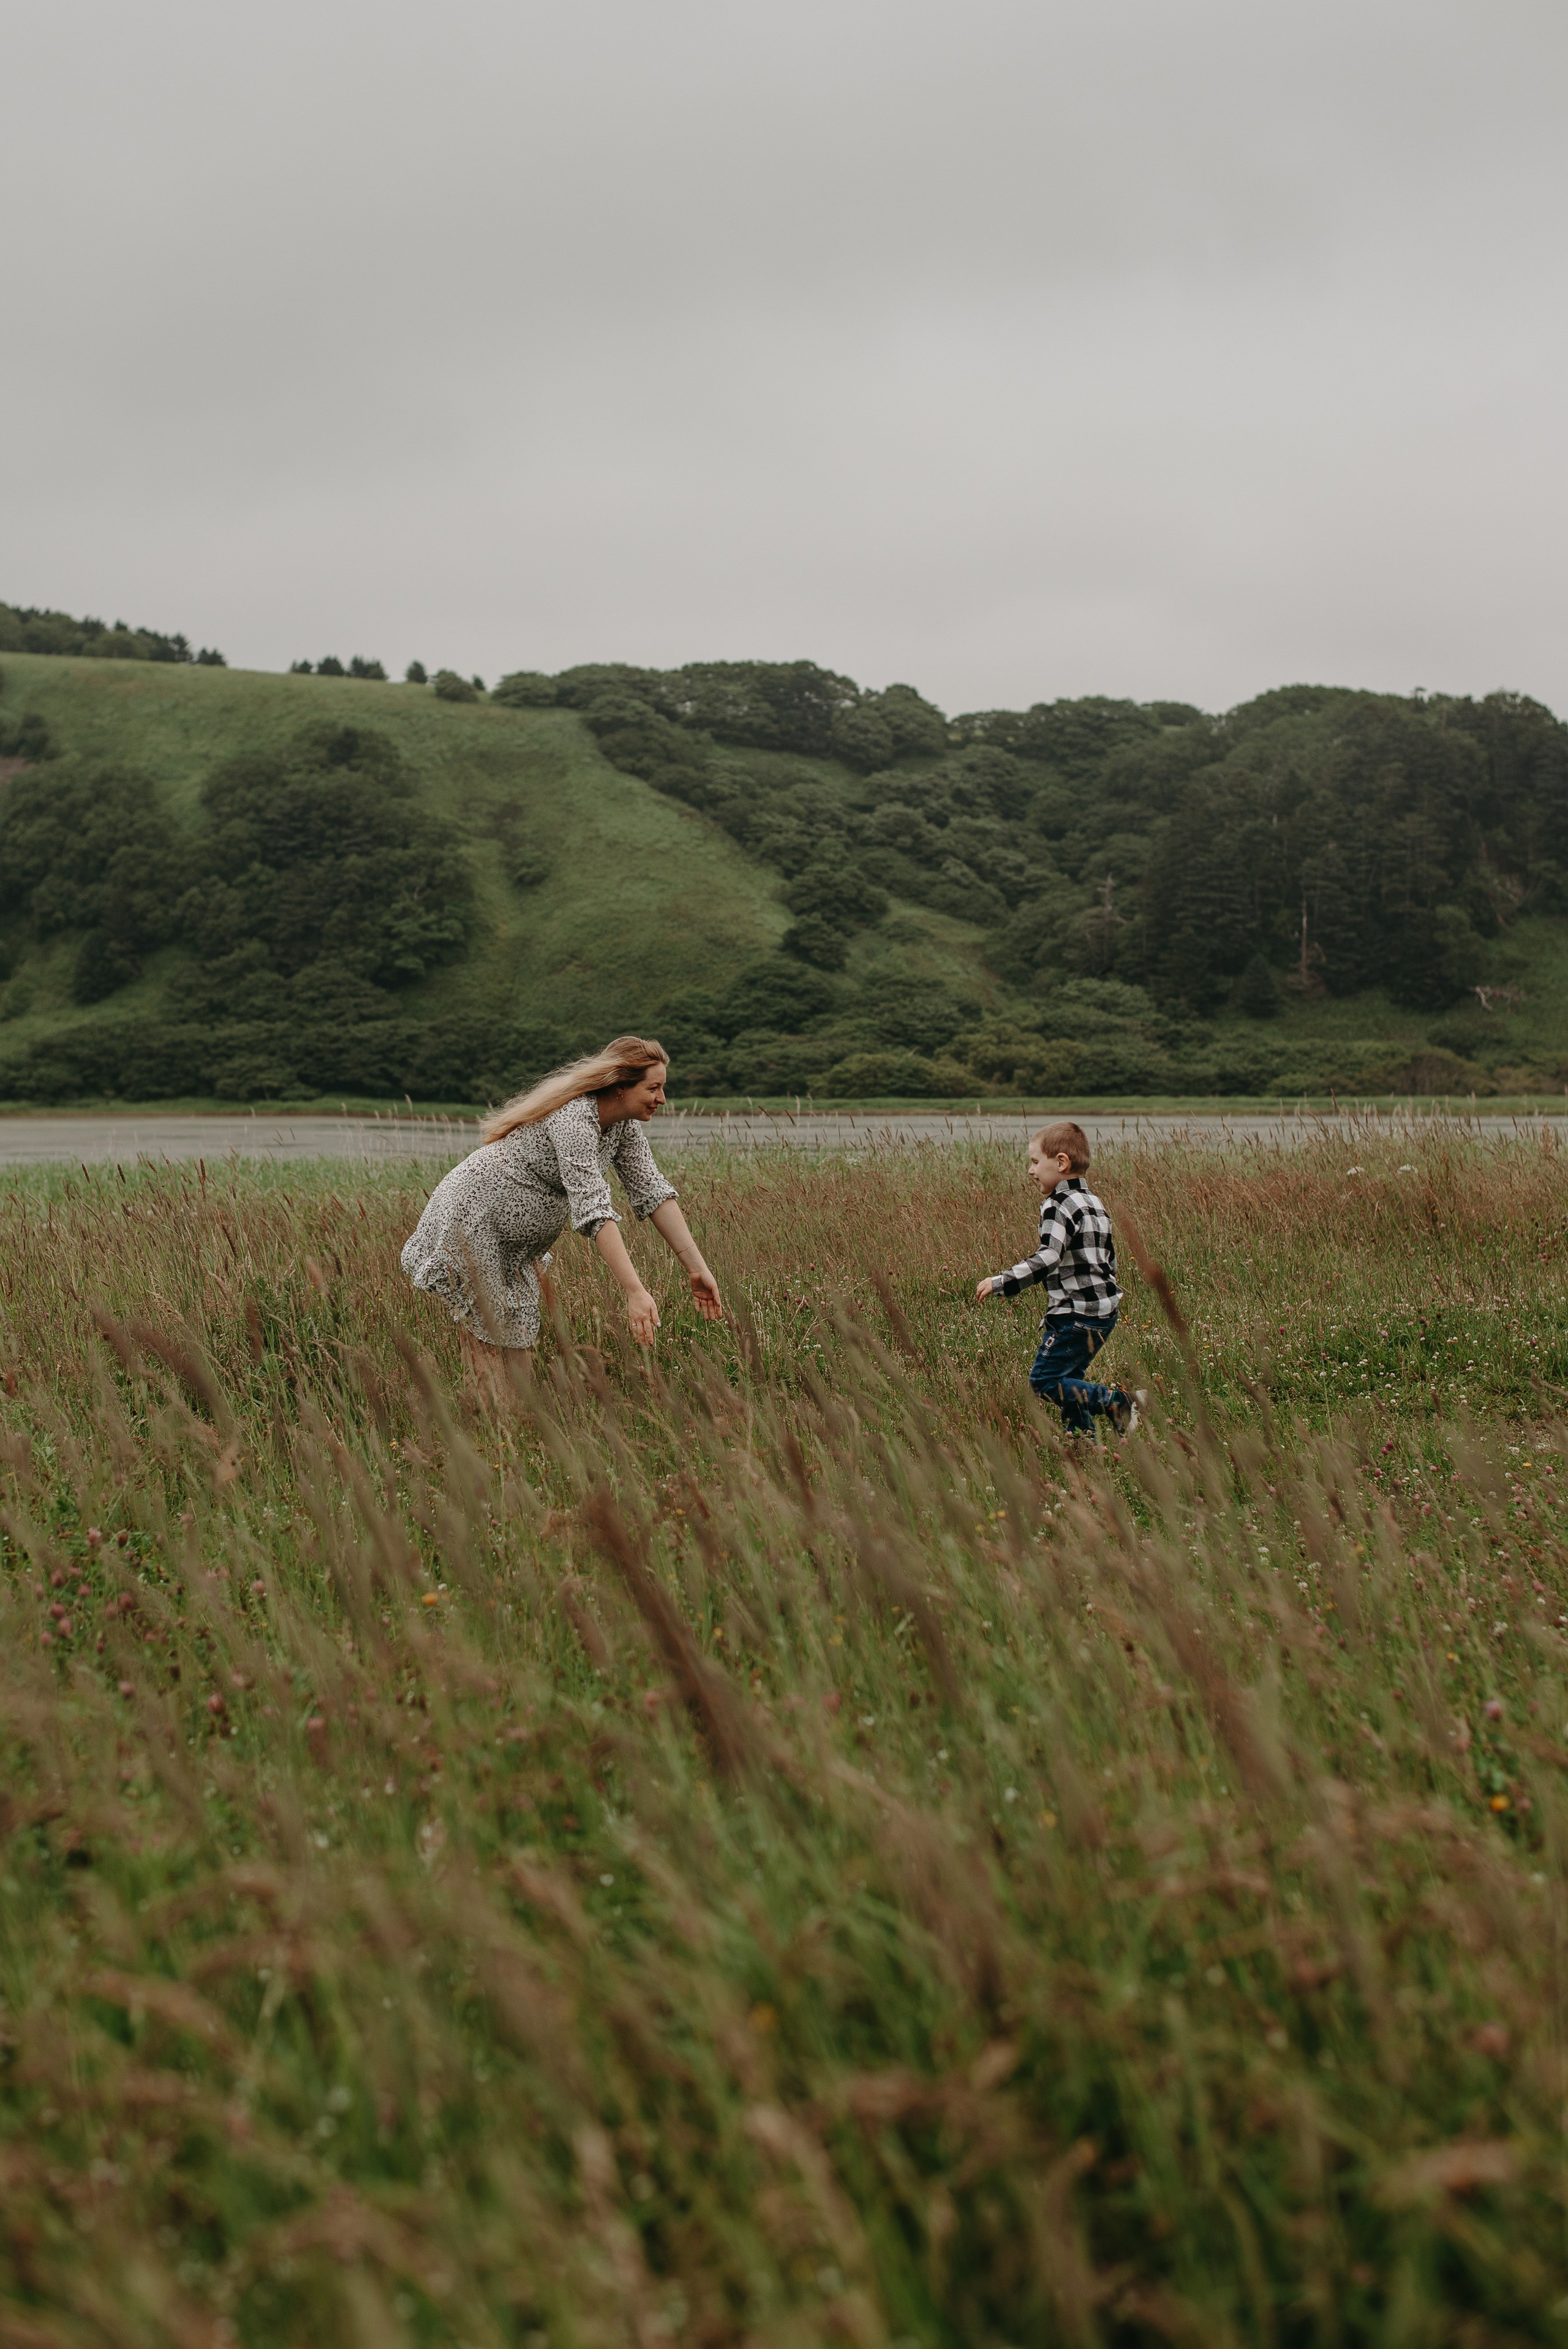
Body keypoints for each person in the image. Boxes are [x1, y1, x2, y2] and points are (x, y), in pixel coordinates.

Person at [401, 1035, 723, 1381]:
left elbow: (653, 1192)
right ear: (620, 1087)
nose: (662, 1099)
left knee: (517, 1334)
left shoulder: (622, 1126)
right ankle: (490, 1425)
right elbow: (595, 1209)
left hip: (516, 1243)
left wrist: (696, 1267)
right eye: (653, 1088)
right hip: (475, 1216)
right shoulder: (574, 1116)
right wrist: (634, 1290)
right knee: (489, 1332)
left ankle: (512, 1426)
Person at [974, 1118, 1143, 1441]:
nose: (1031, 1170)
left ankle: (1119, 1402)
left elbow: (1048, 1258)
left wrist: (1002, 1281)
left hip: (1076, 1315)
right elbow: (1110, 1259)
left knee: (1046, 1381)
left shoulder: (1058, 1206)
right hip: (1104, 1313)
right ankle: (1081, 1439)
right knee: (1070, 1377)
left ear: (1061, 1162)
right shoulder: (1094, 1204)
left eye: (1036, 1162)